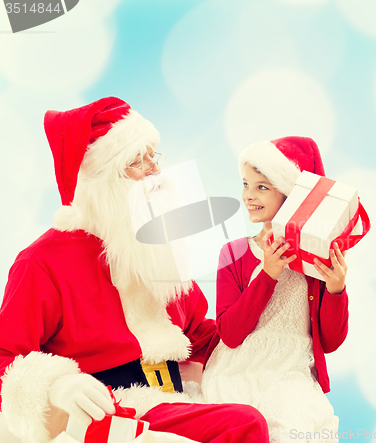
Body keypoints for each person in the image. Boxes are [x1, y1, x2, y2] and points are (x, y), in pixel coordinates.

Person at [0, 97, 269, 443]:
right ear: (100, 180)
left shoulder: (158, 244)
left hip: (177, 394)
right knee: (243, 424)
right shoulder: (42, 262)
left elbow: (199, 332)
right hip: (117, 407)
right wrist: (57, 384)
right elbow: (5, 358)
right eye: (135, 162)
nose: (154, 171)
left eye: (152, 156)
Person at [201, 137, 349, 443]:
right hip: (238, 370)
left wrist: (336, 291)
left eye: (262, 187)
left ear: (292, 196)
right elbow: (230, 333)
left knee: (297, 428)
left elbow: (331, 341)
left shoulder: (318, 261)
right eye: (245, 184)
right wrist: (268, 273)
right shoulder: (235, 252)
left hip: (292, 373)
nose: (248, 196)